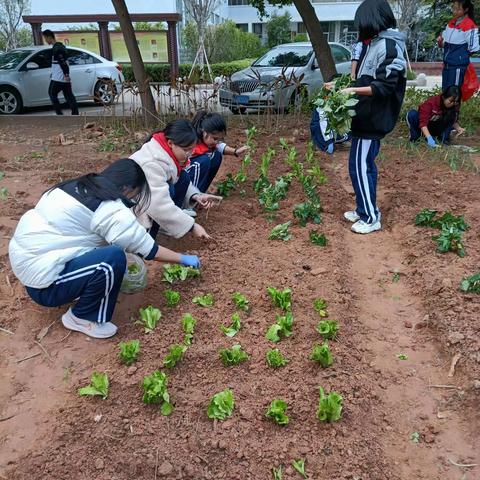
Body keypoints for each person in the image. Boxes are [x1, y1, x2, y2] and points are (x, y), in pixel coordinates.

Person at [8, 159, 200, 339]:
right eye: (135, 194)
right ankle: (82, 317)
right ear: (126, 188)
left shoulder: (77, 186)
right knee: (112, 259)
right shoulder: (109, 207)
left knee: (108, 252)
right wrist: (183, 259)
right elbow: (149, 249)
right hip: (44, 287)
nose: (133, 199)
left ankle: (77, 290)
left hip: (29, 267)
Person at [329, 0, 407, 234]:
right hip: (365, 117)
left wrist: (351, 91)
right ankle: (365, 208)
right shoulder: (375, 43)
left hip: (374, 118)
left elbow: (383, 87)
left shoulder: (390, 47)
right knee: (360, 166)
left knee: (361, 168)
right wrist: (339, 85)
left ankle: (371, 217)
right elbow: (365, 79)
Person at [130, 119, 221, 239]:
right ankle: (146, 239)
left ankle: (165, 226)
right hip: (132, 212)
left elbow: (179, 179)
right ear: (170, 143)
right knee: (170, 189)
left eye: (191, 149)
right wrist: (191, 226)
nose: (189, 154)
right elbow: (158, 205)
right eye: (186, 150)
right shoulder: (151, 163)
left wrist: (196, 195)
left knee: (182, 178)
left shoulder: (165, 154)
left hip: (147, 201)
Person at [186, 111, 249, 193]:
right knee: (204, 161)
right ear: (205, 133)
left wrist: (236, 151)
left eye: (220, 139)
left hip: (192, 173)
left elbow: (220, 146)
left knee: (216, 155)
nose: (217, 142)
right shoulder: (191, 143)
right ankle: (192, 197)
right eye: (215, 139)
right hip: (182, 178)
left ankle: (202, 189)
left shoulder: (206, 140)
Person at [437, 1, 479, 91]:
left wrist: (460, 57)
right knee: (445, 93)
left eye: (458, 9)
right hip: (447, 65)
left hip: (457, 67)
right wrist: (440, 42)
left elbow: (474, 48)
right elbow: (443, 44)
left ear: (466, 9)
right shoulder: (451, 23)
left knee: (453, 94)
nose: (454, 11)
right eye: (454, 8)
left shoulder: (470, 25)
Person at [42, 29, 79, 116]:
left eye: (45, 38)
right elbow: (59, 63)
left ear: (49, 37)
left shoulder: (57, 48)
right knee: (69, 96)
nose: (45, 40)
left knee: (52, 93)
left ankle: (59, 113)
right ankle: (75, 113)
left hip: (59, 78)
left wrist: (66, 74)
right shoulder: (59, 47)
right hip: (60, 76)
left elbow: (62, 62)